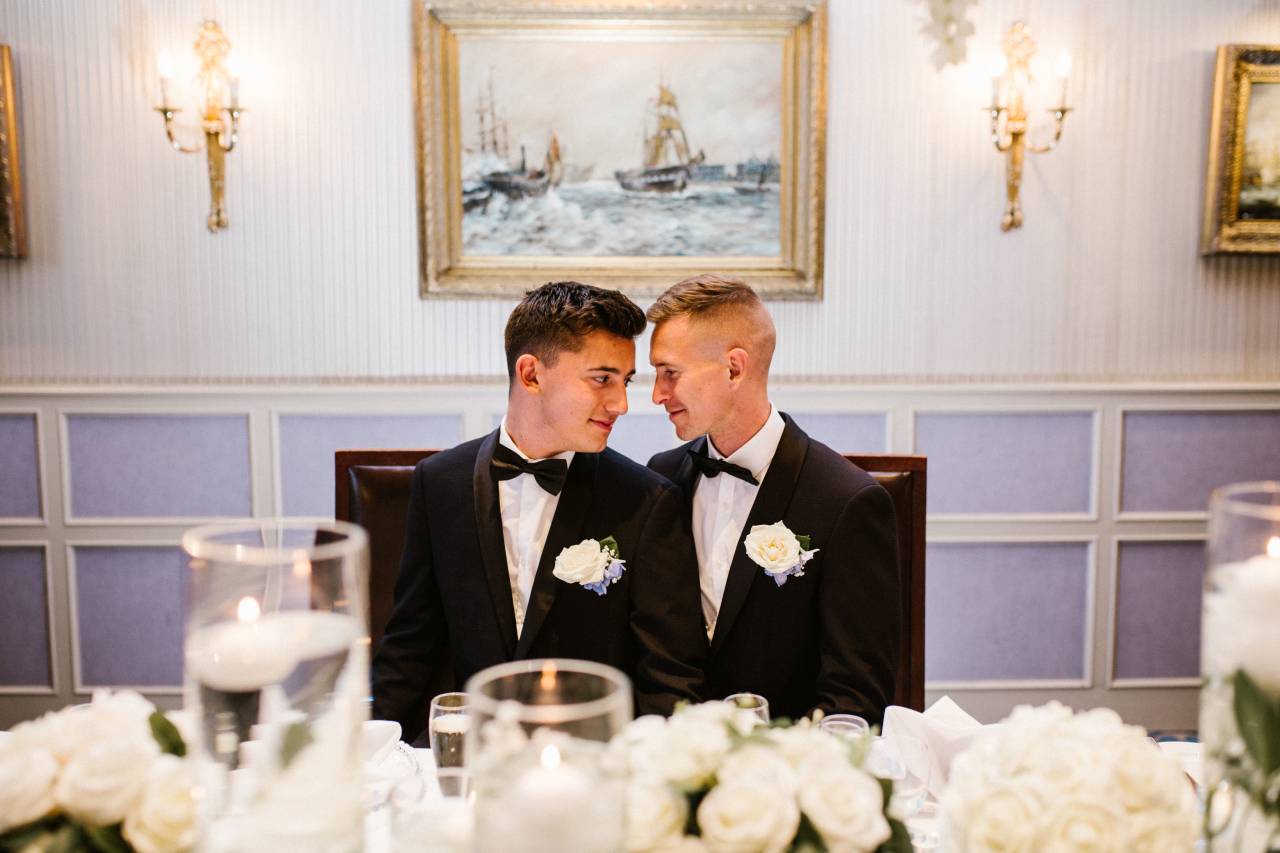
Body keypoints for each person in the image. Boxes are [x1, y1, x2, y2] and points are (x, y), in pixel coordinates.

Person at [372, 281, 707, 741]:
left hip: (594, 767)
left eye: (625, 382)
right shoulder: (439, 483)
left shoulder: (646, 502)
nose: (622, 404)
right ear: (531, 374)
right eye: (602, 378)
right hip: (474, 763)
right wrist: (368, 756)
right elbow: (409, 647)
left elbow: (669, 678)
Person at [646, 274, 900, 724]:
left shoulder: (847, 502)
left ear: (734, 368)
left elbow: (854, 701)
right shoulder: (662, 478)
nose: (656, 394)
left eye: (670, 373)